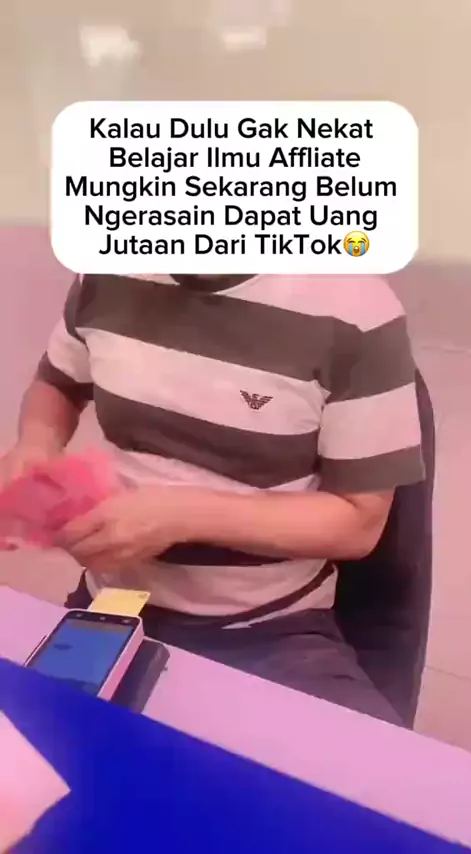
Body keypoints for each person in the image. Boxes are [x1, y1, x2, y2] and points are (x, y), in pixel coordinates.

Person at [0, 272, 424, 724]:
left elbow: (359, 522)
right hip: (111, 610)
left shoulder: (355, 310)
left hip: (269, 628)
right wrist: (36, 444)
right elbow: (58, 382)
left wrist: (181, 516)